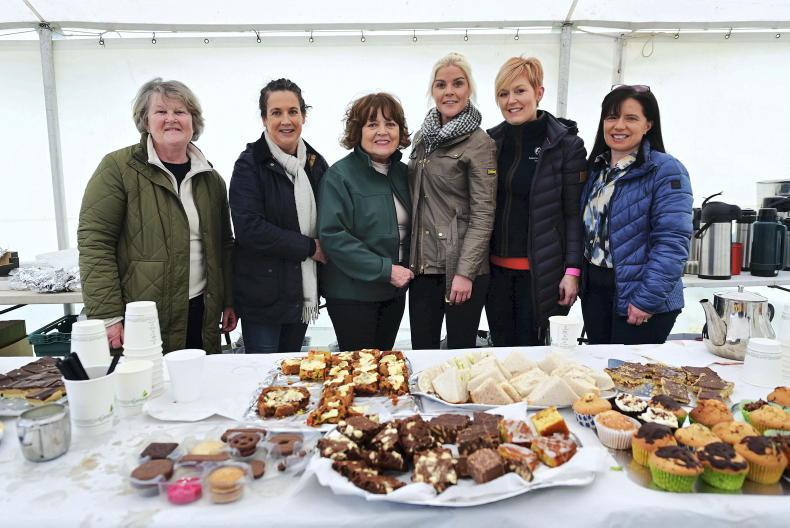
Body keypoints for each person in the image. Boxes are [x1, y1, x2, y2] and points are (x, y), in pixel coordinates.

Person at [78, 78, 236, 354]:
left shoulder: (211, 180)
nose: (171, 119)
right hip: (141, 317)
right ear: (145, 120)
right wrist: (107, 315)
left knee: (197, 379)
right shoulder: (118, 169)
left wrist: (228, 299)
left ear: (193, 121)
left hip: (200, 313)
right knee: (147, 380)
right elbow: (95, 242)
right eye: (161, 111)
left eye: (180, 112)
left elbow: (224, 245)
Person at [485, 57, 587, 347]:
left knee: (533, 354)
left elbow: (574, 214)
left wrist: (572, 271)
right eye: (503, 94)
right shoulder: (490, 142)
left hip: (542, 275)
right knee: (501, 351)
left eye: (520, 91)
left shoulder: (565, 145)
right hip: (495, 275)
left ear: (539, 93)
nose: (511, 101)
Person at [579, 85, 693, 345]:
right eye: (612, 117)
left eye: (631, 118)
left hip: (641, 299)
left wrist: (646, 300)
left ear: (648, 125)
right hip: (596, 295)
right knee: (599, 366)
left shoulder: (665, 170)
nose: (619, 125)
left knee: (632, 370)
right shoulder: (596, 170)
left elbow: (672, 242)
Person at [229, 79, 328, 353]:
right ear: (264, 118)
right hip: (262, 299)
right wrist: (309, 247)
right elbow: (249, 229)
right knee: (263, 372)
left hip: (299, 296)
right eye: (276, 112)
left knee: (290, 372)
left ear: (303, 116)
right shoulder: (249, 164)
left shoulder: (315, 163)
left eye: (293, 111)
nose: (286, 120)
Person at [408, 52, 498, 350]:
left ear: (469, 89)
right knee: (423, 352)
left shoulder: (480, 143)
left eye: (457, 83)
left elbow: (483, 213)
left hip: (460, 268)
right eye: (441, 85)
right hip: (423, 267)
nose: (449, 91)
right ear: (432, 91)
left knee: (459, 356)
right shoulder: (422, 138)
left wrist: (464, 272)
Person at [318, 93, 412, 351]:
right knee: (360, 369)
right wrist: (386, 270)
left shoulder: (405, 174)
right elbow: (334, 236)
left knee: (385, 366)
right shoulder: (339, 176)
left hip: (393, 294)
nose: (382, 131)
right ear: (357, 131)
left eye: (390, 124)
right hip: (352, 296)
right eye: (372, 124)